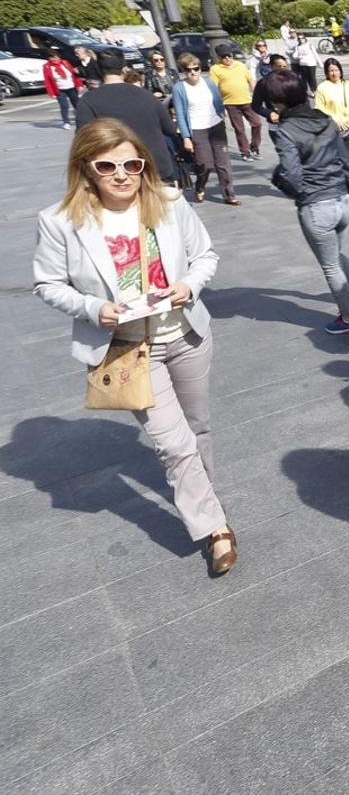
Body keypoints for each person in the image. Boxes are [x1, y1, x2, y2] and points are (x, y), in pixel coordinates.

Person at [33, 119, 238, 576]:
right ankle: (215, 528)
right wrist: (92, 308)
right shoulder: (61, 221)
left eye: (132, 163)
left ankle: (207, 499)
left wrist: (188, 284)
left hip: (184, 333)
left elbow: (205, 254)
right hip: (127, 348)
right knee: (173, 444)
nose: (122, 174)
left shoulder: (167, 201)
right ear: (86, 168)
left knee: (198, 429)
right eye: (107, 165)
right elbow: (47, 283)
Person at [265, 70, 349, 335]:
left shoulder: (286, 130)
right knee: (336, 256)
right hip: (341, 200)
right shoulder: (324, 120)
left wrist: (279, 180)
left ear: (278, 102)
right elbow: (346, 158)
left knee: (330, 264)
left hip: (316, 206)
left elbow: (293, 177)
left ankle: (348, 318)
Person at [74, 51, 179, 192]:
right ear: (124, 70)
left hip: (117, 173)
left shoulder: (88, 101)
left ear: (99, 71)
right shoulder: (146, 96)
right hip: (155, 166)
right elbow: (170, 129)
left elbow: (83, 140)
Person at [171, 53, 238, 206]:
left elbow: (217, 100)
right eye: (188, 70)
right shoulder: (179, 88)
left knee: (223, 163)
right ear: (183, 71)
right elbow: (180, 114)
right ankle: (200, 186)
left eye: (196, 68)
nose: (193, 72)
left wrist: (223, 113)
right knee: (205, 164)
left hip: (216, 125)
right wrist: (186, 137)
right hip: (197, 129)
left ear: (200, 68)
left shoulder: (209, 83)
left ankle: (229, 194)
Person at [208, 44, 263, 163]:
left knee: (257, 123)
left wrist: (256, 96)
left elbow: (251, 81)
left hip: (247, 101)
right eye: (224, 57)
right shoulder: (215, 69)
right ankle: (245, 151)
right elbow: (213, 88)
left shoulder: (241, 65)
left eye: (229, 55)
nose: (227, 58)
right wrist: (219, 106)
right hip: (230, 103)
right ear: (219, 57)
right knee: (239, 129)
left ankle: (254, 146)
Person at [42, 48, 83, 129]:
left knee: (77, 104)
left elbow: (74, 75)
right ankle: (66, 122)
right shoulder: (47, 67)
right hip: (60, 90)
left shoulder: (65, 63)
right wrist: (51, 93)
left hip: (71, 87)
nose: (55, 59)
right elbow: (47, 81)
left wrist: (79, 84)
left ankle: (81, 119)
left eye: (57, 57)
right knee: (64, 106)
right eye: (52, 57)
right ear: (49, 58)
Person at [251, 54, 290, 124]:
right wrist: (269, 113)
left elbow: (304, 102)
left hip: (294, 121)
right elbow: (255, 105)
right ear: (271, 67)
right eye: (279, 66)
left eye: (284, 66)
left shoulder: (293, 81)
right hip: (276, 122)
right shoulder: (263, 83)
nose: (282, 69)